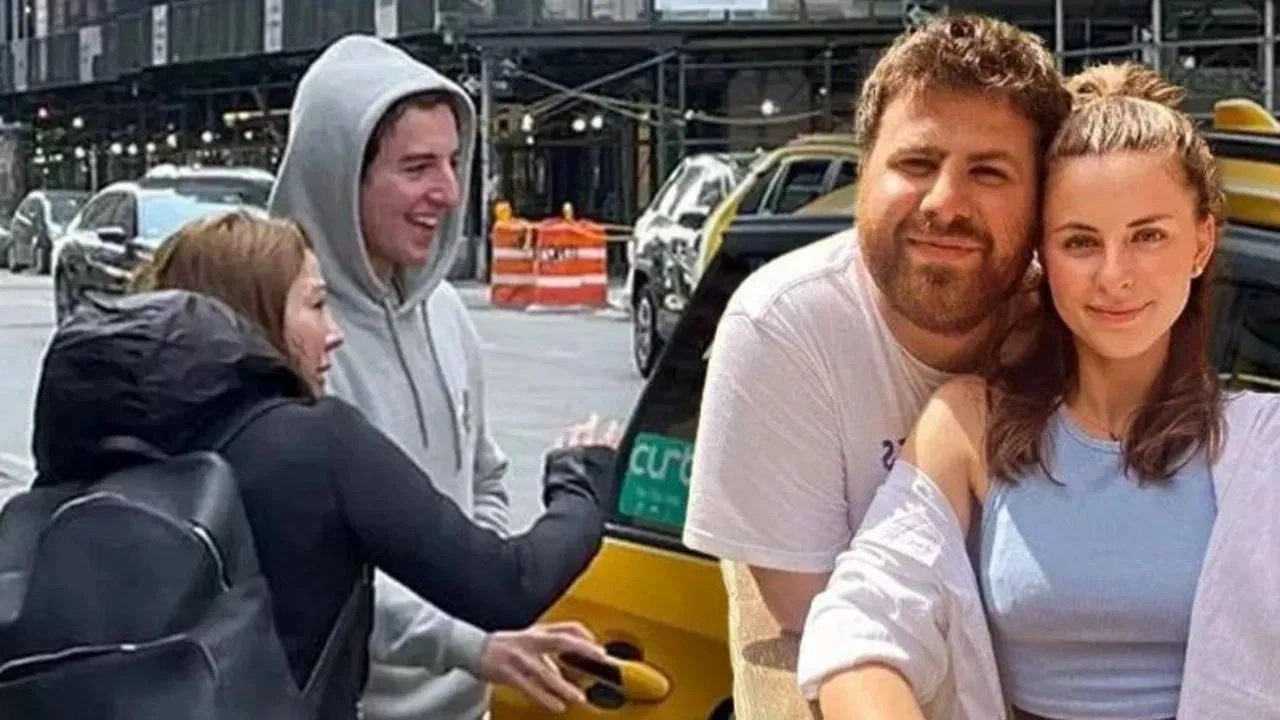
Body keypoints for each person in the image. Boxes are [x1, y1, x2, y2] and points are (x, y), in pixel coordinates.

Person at [797, 63, 1280, 720]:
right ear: (1042, 256)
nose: (1114, 276)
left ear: (1200, 243)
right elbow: (862, 620)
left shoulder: (1261, 445)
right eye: (1080, 242)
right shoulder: (971, 425)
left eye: (1148, 236)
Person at [38, 208, 612, 719]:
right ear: (256, 315)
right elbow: (507, 585)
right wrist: (580, 482)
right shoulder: (314, 442)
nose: (334, 334)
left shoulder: (104, 437)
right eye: (315, 305)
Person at [678, 12, 1072, 718]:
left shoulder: (1085, 321)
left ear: (1042, 198)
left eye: (989, 172)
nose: (946, 203)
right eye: (916, 164)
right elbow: (819, 626)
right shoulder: (786, 327)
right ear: (865, 173)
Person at [266, 35, 604, 719]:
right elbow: (307, 563)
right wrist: (466, 640)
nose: (448, 192)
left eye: (453, 162)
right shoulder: (288, 336)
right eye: (417, 167)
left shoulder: (446, 312)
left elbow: (484, 479)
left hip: (465, 702)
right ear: (340, 177)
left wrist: (475, 617)